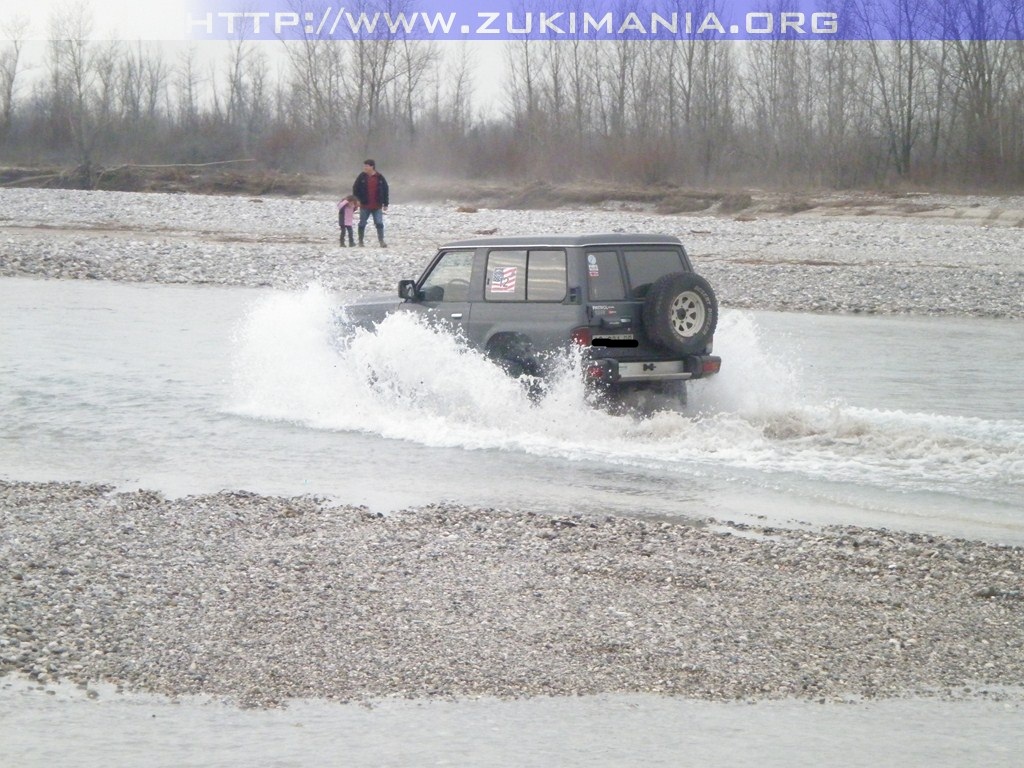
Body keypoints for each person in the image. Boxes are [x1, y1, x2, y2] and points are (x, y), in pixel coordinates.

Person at [352, 159, 389, 247]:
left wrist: (386, 203)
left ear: (372, 166)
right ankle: (361, 241)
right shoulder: (361, 177)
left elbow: (385, 190)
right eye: (364, 166)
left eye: (366, 166)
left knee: (379, 223)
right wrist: (356, 200)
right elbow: (355, 188)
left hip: (377, 205)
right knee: (362, 223)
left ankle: (381, 241)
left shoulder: (379, 177)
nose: (365, 167)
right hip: (364, 205)